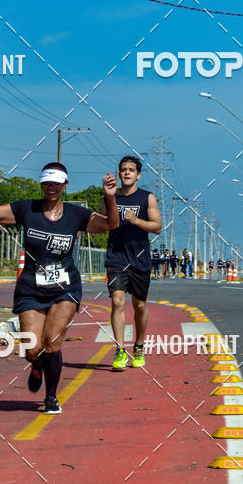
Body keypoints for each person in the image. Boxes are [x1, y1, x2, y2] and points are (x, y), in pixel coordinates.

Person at [0, 163, 118, 414]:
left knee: (52, 343)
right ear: (41, 185)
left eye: (56, 183)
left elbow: (110, 224)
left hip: (65, 287)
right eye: (46, 183)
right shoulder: (26, 209)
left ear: (65, 185)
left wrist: (110, 197)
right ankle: (37, 365)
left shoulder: (76, 214)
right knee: (33, 348)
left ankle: (51, 397)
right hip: (31, 287)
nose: (51, 187)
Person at [101, 156, 162, 371]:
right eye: (123, 170)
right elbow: (101, 221)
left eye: (131, 170)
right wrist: (108, 198)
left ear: (138, 174)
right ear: (119, 174)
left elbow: (157, 227)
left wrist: (136, 221)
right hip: (116, 257)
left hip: (140, 258)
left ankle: (139, 346)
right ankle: (119, 350)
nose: (127, 173)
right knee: (117, 301)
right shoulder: (111, 197)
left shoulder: (147, 198)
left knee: (139, 305)